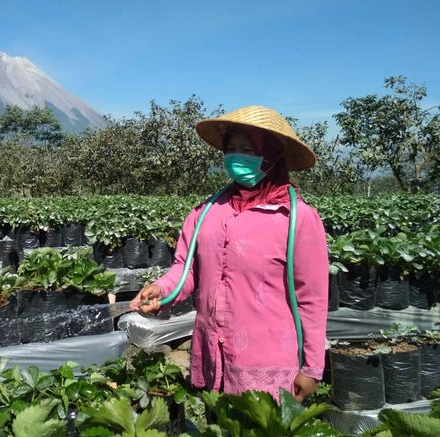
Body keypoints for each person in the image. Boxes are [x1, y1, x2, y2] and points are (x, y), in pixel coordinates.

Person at [129, 105, 328, 402]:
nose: (236, 157)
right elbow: (187, 269)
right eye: (231, 148)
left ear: (271, 155)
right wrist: (161, 290)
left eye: (247, 149)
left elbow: (312, 299)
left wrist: (312, 369)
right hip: (214, 359)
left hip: (269, 366)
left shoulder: (297, 219)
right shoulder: (205, 213)